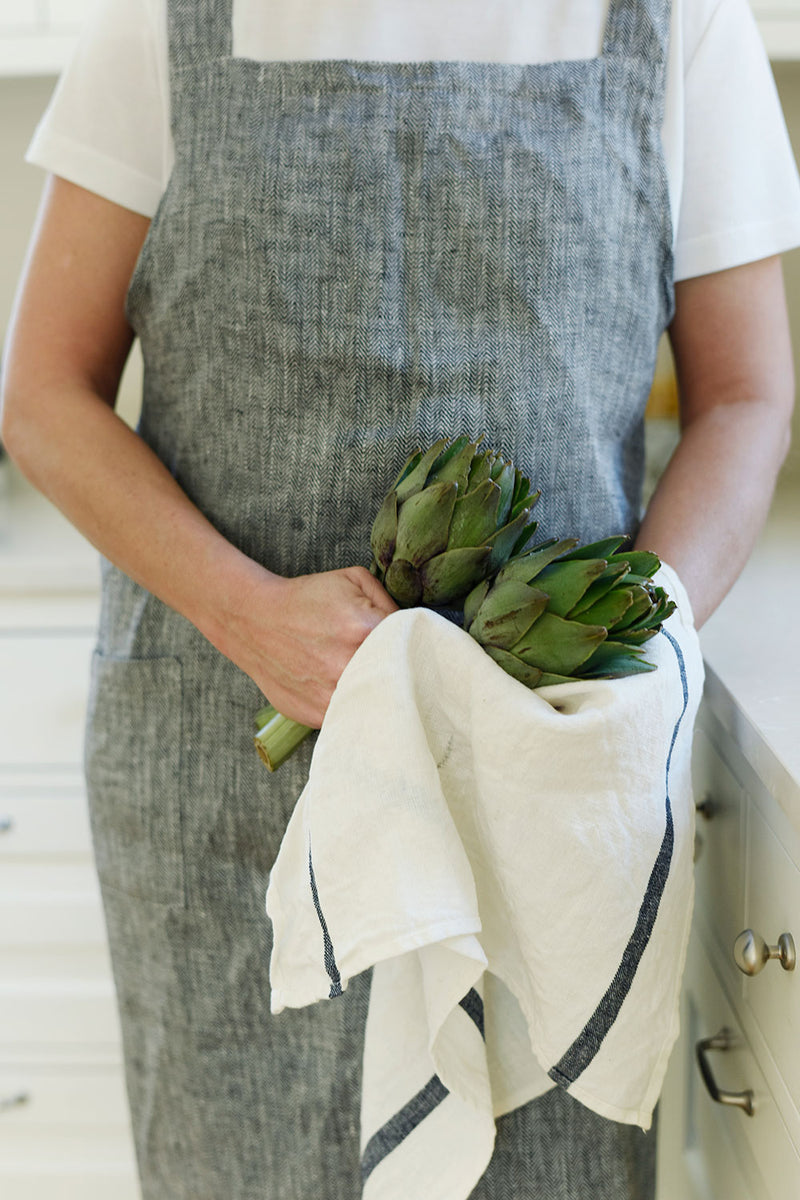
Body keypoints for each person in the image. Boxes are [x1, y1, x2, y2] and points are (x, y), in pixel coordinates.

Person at [1, 0, 798, 1196]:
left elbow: (743, 398)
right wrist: (247, 614)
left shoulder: (677, 26)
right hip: (223, 783)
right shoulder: (161, 22)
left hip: (542, 797)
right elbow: (43, 396)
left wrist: (629, 649)